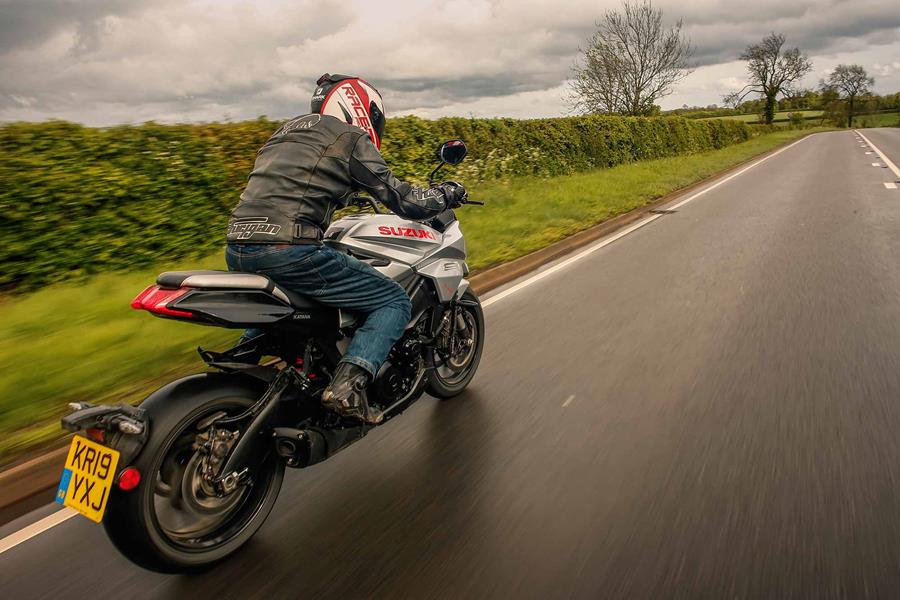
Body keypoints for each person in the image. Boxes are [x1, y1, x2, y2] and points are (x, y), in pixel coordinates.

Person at [225, 74, 465, 424]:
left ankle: (237, 365)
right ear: (359, 106)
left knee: (281, 303)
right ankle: (348, 386)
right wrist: (444, 194)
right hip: (289, 249)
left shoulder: (284, 133)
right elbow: (404, 200)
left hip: (238, 247)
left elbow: (297, 186)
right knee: (392, 301)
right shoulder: (347, 136)